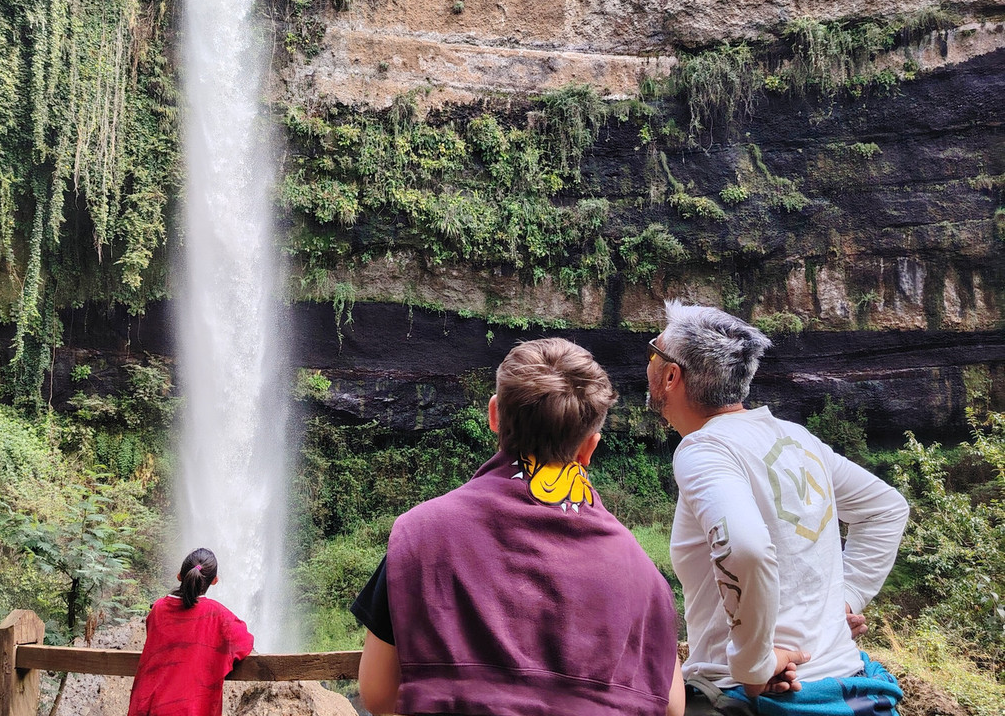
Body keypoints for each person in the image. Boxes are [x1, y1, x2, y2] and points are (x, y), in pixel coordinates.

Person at [351, 337, 683, 716]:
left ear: (494, 415)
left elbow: (377, 693)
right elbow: (670, 705)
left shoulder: (420, 535)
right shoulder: (642, 572)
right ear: (590, 447)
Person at [647, 301, 909, 715]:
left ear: (670, 375)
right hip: (847, 683)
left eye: (653, 352)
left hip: (756, 696)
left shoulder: (703, 448)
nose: (649, 361)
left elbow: (746, 548)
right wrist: (849, 597)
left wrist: (754, 664)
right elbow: (886, 508)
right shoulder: (796, 437)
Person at [128, 548, 254, 716]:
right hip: (190, 709)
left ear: (179, 575)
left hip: (149, 706)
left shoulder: (158, 609)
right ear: (214, 580)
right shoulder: (218, 615)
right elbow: (244, 642)